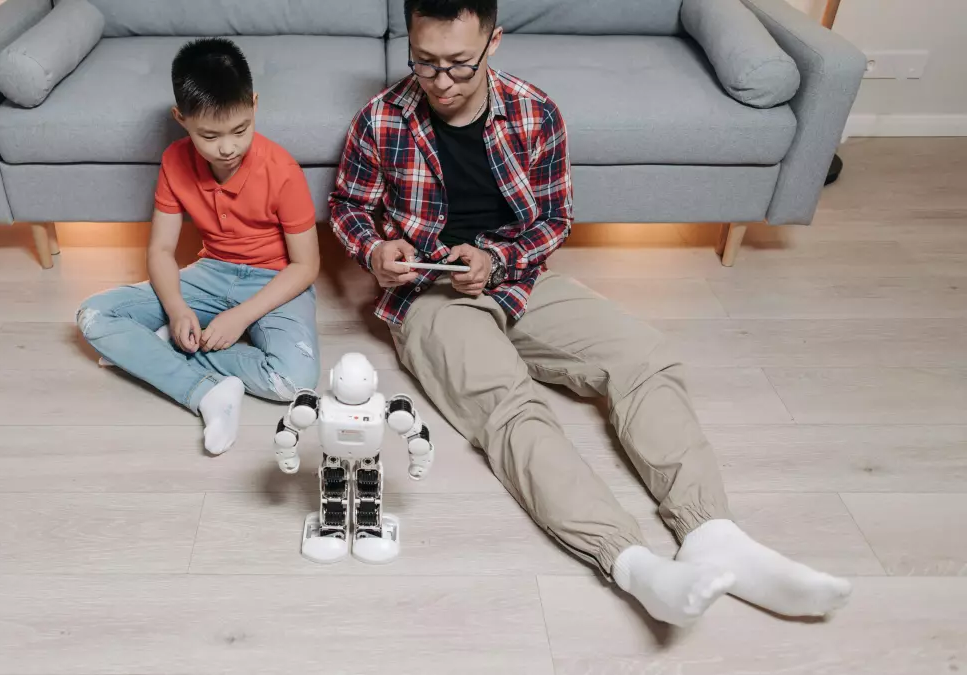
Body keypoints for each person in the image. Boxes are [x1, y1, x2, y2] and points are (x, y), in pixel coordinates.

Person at [329, 0, 852, 627]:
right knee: (510, 409)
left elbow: (554, 220)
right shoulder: (380, 120)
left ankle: (714, 533)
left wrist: (495, 259)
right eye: (425, 63)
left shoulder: (535, 111)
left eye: (459, 65)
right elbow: (348, 208)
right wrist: (374, 249)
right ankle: (631, 561)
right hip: (429, 294)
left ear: (494, 43)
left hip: (517, 278)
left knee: (643, 358)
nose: (440, 82)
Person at [78, 37, 321, 455]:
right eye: (209, 136)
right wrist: (176, 309)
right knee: (95, 315)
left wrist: (239, 318)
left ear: (255, 105)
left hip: (275, 281)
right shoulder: (175, 160)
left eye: (240, 130)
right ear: (181, 118)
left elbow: (306, 266)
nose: (227, 147)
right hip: (211, 272)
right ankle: (206, 392)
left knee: (294, 380)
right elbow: (160, 251)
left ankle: (153, 352)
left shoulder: (282, 170)